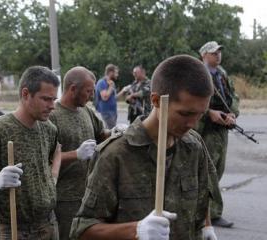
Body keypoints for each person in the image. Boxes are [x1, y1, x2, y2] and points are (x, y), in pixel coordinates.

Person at [70, 55, 219, 240]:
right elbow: (82, 230)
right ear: (156, 101)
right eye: (185, 113)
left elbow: (202, 201)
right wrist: (136, 230)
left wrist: (206, 227)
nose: (193, 123)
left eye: (200, 114)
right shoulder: (116, 155)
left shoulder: (194, 147)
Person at [0, 66, 61, 240]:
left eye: (54, 99)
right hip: (14, 229)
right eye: (46, 99)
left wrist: (51, 180)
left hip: (48, 224)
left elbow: (55, 154)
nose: (52, 106)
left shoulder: (49, 129)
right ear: (25, 94)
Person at [49, 66, 111, 240]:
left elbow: (100, 134)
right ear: (73, 89)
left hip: (88, 194)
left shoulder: (86, 111)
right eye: (88, 91)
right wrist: (75, 154)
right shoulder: (52, 116)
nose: (92, 96)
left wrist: (113, 133)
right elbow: (44, 159)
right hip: (65, 199)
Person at [196, 41, 239, 228]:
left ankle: (204, 209)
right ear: (204, 55)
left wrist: (232, 114)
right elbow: (191, 101)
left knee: (218, 168)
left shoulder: (222, 74)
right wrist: (209, 113)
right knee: (209, 171)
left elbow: (234, 97)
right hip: (205, 128)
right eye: (214, 53)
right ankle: (212, 214)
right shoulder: (198, 74)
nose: (218, 55)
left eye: (219, 52)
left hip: (222, 127)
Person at [94, 64, 123, 129]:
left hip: (113, 111)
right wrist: (111, 86)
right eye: (116, 73)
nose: (117, 75)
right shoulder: (102, 82)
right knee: (112, 130)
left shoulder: (111, 83)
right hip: (106, 111)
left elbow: (114, 97)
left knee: (109, 131)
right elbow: (104, 97)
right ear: (110, 72)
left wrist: (123, 91)